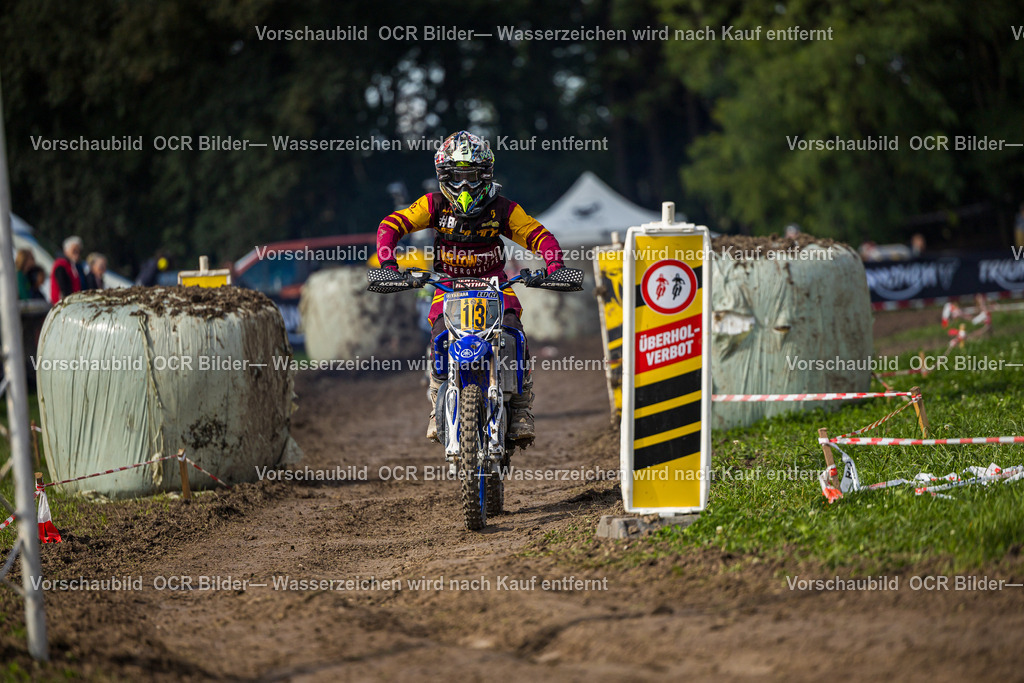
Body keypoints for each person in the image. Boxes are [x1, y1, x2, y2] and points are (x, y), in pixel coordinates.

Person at [375, 130, 565, 443]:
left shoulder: (503, 208)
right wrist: (389, 267)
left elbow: (538, 234)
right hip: (448, 284)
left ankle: (519, 408)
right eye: (457, 176)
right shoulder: (433, 204)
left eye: (472, 176)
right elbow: (391, 225)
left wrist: (554, 266)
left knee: (514, 331)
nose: (465, 185)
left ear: (486, 175)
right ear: (443, 175)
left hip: (495, 284)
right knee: (438, 335)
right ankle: (438, 401)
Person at [50, 236, 85, 302]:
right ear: (66, 250)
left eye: (79, 250)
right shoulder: (61, 265)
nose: (77, 253)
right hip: (63, 304)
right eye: (74, 250)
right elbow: (63, 288)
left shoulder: (75, 266)